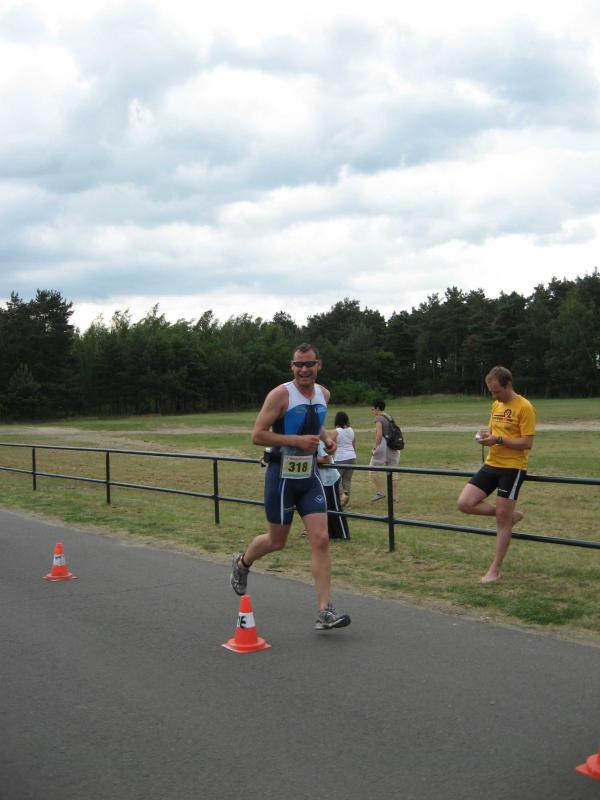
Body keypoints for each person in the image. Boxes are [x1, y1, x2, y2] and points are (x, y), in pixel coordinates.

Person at [230, 343, 351, 631]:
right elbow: (258, 435)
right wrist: (296, 441)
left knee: (321, 539)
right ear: (292, 366)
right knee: (277, 541)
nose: (304, 369)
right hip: (281, 477)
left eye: (309, 364)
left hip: (309, 476)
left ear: (319, 365)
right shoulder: (280, 395)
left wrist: (326, 439)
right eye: (298, 364)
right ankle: (243, 562)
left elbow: (314, 422)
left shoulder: (324, 394)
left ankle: (325, 611)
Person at [457, 365, 536, 584]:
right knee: (464, 503)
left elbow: (527, 443)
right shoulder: (496, 405)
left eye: (497, 391)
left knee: (502, 520)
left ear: (508, 385)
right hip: (492, 463)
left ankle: (495, 569)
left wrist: (498, 440)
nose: (495, 396)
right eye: (492, 392)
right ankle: (509, 516)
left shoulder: (525, 407)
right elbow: (493, 432)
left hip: (513, 467)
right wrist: (484, 437)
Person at [316, 441, 350, 541]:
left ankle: (343, 535)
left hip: (329, 479)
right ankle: (332, 534)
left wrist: (310, 459)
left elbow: (327, 459)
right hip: (321, 479)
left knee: (335, 507)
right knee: (325, 507)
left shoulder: (319, 441)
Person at [369, 399, 400, 502]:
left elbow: (379, 435)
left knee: (372, 470)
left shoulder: (379, 418)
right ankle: (395, 497)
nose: (372, 412)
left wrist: (374, 448)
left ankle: (380, 492)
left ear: (377, 408)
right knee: (393, 473)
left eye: (373, 409)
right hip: (393, 448)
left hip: (383, 449)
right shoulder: (389, 417)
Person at [332, 411, 356, 507]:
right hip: (352, 456)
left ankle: (342, 495)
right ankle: (346, 501)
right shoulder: (351, 430)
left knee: (336, 479)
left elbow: (330, 445)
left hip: (340, 457)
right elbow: (353, 445)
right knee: (347, 479)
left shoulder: (336, 431)